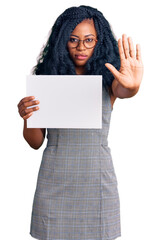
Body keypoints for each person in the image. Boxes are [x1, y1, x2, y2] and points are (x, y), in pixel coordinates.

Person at [17, 5, 143, 240]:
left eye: (89, 40)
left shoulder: (109, 79)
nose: (81, 47)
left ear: (99, 41)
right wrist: (27, 118)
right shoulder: (47, 80)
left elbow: (123, 90)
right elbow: (35, 142)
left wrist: (133, 86)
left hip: (96, 183)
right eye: (73, 39)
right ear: (62, 40)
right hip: (54, 182)